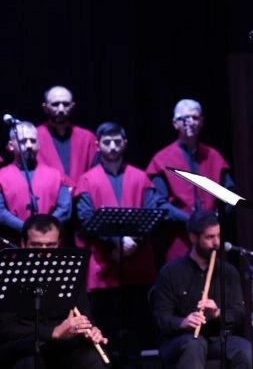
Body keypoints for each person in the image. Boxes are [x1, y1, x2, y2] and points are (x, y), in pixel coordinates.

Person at [75, 121, 163, 368]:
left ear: (125, 144)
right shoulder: (87, 179)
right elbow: (86, 217)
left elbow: (152, 212)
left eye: (117, 142)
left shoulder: (141, 176)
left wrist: (132, 242)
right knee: (106, 328)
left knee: (136, 327)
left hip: (137, 262)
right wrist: (116, 243)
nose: (112, 147)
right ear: (97, 145)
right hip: (104, 263)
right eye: (107, 142)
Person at [0, 214, 109, 369]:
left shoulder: (70, 273)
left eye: (50, 245)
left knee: (94, 361)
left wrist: (90, 330)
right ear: (23, 244)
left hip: (63, 345)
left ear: (59, 244)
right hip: (22, 346)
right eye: (36, 245)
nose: (44, 253)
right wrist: (53, 333)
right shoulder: (7, 275)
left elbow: (85, 316)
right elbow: (7, 329)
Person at [151, 209, 252, 368]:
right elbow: (161, 318)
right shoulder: (170, 272)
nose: (216, 243)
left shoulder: (228, 272)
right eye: (210, 237)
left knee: (245, 350)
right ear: (193, 237)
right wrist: (183, 322)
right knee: (194, 345)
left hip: (216, 338)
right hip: (179, 339)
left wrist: (217, 313)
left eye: (218, 236)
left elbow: (239, 314)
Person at [146, 98, 235, 265]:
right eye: (184, 118)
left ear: (201, 122)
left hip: (213, 239)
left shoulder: (213, 156)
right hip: (180, 239)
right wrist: (190, 221)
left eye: (195, 118)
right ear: (175, 123)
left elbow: (229, 194)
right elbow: (158, 203)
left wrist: (215, 217)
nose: (190, 122)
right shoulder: (162, 159)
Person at [0, 121, 73, 242]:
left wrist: (44, 228)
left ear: (38, 144)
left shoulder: (56, 175)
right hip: (13, 242)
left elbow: (65, 209)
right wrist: (26, 228)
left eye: (33, 141)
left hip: (50, 244)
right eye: (23, 141)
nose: (29, 145)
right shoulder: (1, 176)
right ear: (11, 145)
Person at [36, 85, 98, 184]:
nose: (61, 109)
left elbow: (96, 173)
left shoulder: (87, 138)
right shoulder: (34, 137)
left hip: (81, 193)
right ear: (45, 108)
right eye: (55, 104)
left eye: (66, 104)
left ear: (72, 106)